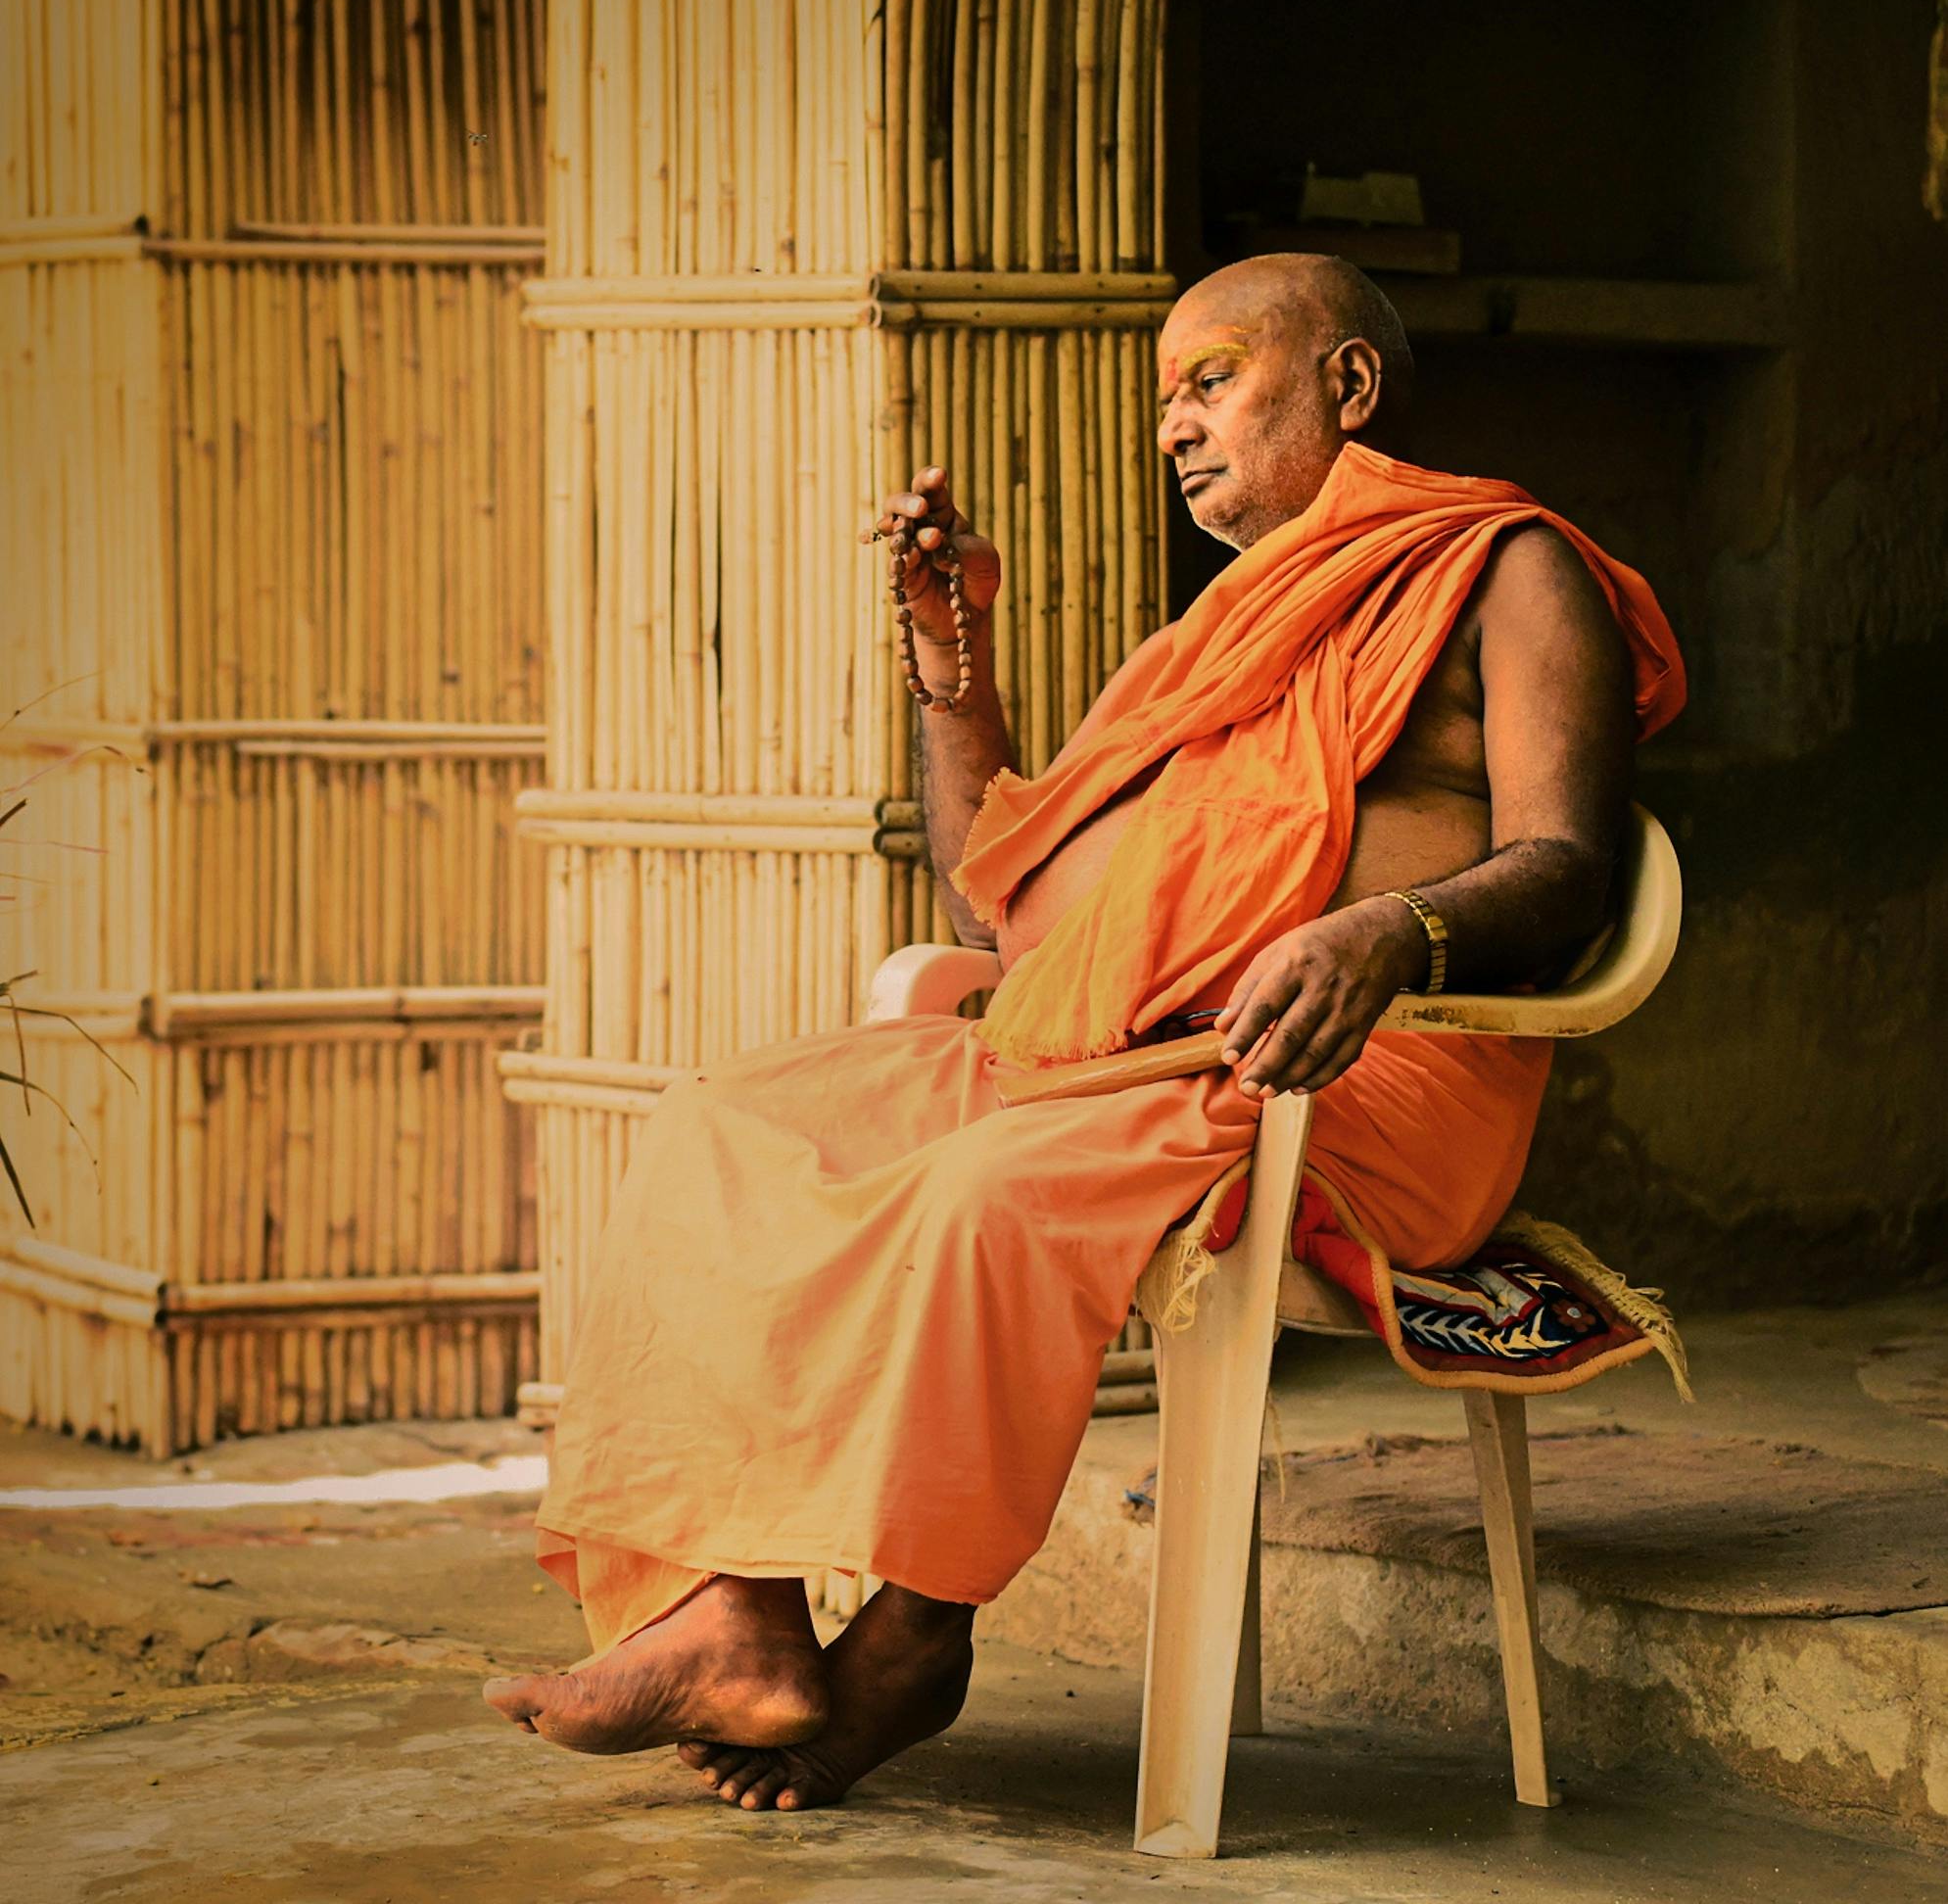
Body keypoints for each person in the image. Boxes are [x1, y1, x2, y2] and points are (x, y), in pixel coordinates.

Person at [483, 255, 1684, 1814]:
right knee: (732, 1125)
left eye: (1211, 379)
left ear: (1349, 387)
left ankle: (915, 1637)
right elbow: (1012, 904)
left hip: (1354, 1075)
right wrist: (946, 661)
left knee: (982, 1191)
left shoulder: (1504, 564)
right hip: (1128, 1058)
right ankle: (737, 1613)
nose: (1172, 426)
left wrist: (1390, 930)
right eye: (1163, 400)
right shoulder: (1222, 634)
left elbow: (1572, 861)